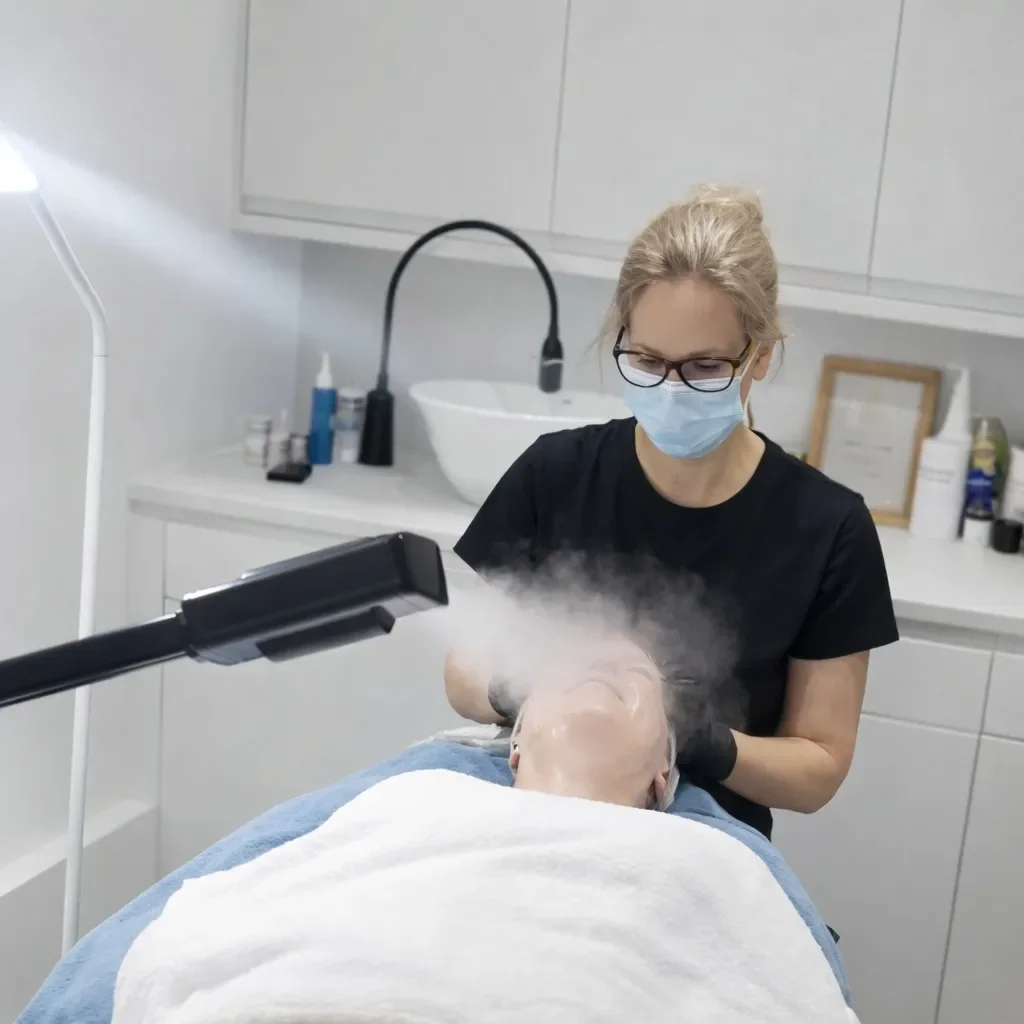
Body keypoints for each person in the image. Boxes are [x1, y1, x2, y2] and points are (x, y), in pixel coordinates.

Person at [445, 184, 899, 838]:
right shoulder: (555, 474)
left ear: (761, 355)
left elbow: (819, 767)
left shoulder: (828, 531)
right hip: (517, 817)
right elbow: (462, 670)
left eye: (706, 367)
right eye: (647, 360)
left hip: (701, 844)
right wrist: (527, 690)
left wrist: (703, 740)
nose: (672, 389)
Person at [111, 639, 855, 1024]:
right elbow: (194, 947)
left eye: (635, 681)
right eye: (570, 669)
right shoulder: (412, 802)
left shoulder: (715, 863)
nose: (604, 664)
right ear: (517, 741)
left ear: (665, 774)